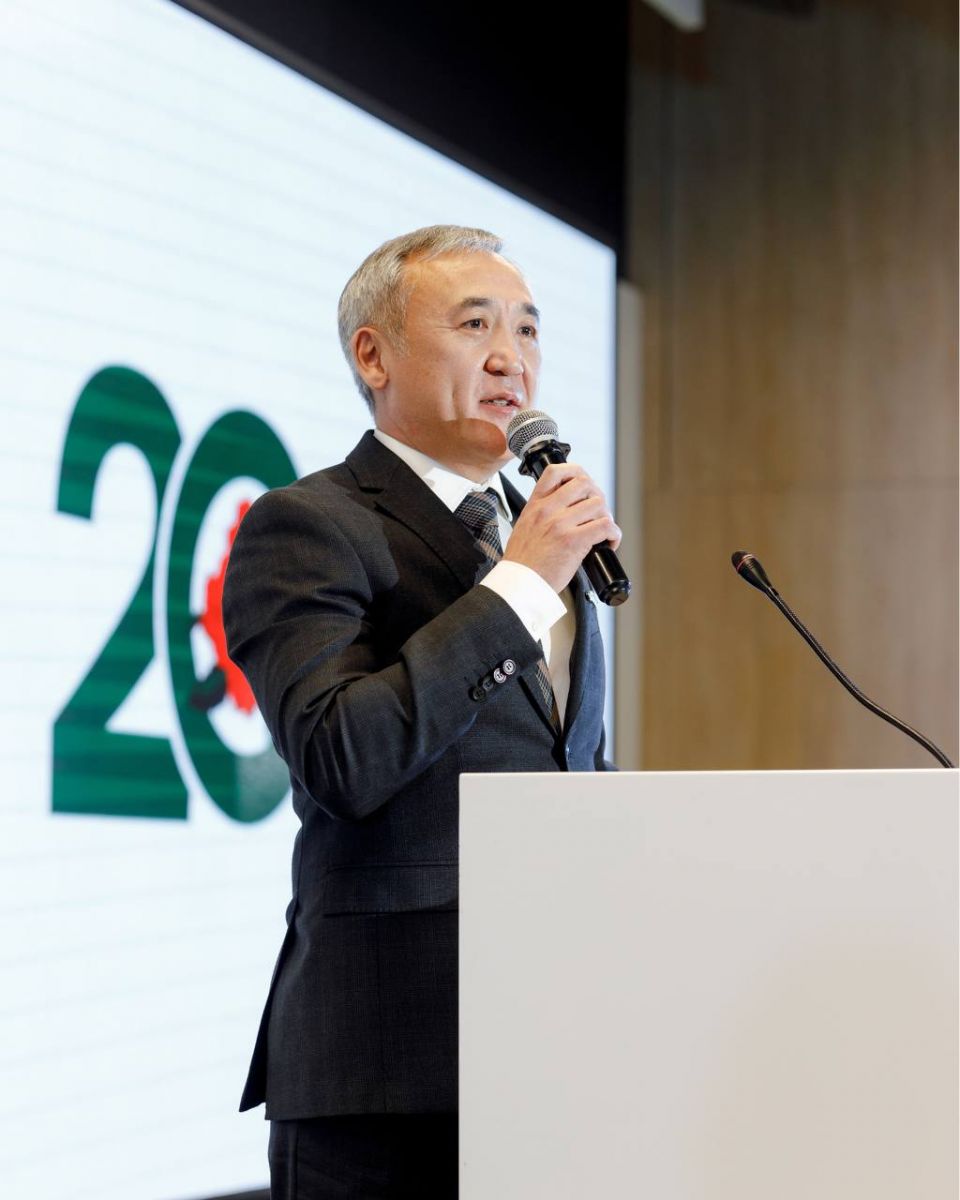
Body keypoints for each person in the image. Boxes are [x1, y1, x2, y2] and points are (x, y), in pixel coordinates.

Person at [223, 224, 620, 1198]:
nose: (510, 357)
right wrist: (518, 587)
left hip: (557, 1054)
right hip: (387, 1074)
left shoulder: (539, 547)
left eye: (528, 330)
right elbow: (341, 755)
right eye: (476, 325)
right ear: (374, 355)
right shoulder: (309, 524)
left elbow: (568, 769)